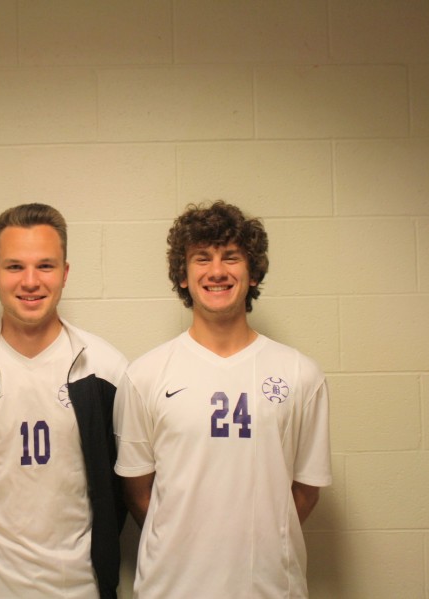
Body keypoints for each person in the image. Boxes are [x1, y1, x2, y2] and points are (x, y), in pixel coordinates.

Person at [114, 202, 331, 598]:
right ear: (183, 275)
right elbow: (138, 493)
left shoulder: (301, 374)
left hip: (268, 589)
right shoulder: (144, 375)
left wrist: (261, 538)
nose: (217, 271)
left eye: (231, 257)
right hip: (171, 588)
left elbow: (305, 492)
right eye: (202, 258)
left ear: (253, 274)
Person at [0, 203, 128, 599]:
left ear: (65, 273)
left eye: (45, 266)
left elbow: (116, 493)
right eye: (14, 267)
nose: (30, 281)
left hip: (80, 590)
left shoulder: (107, 371)